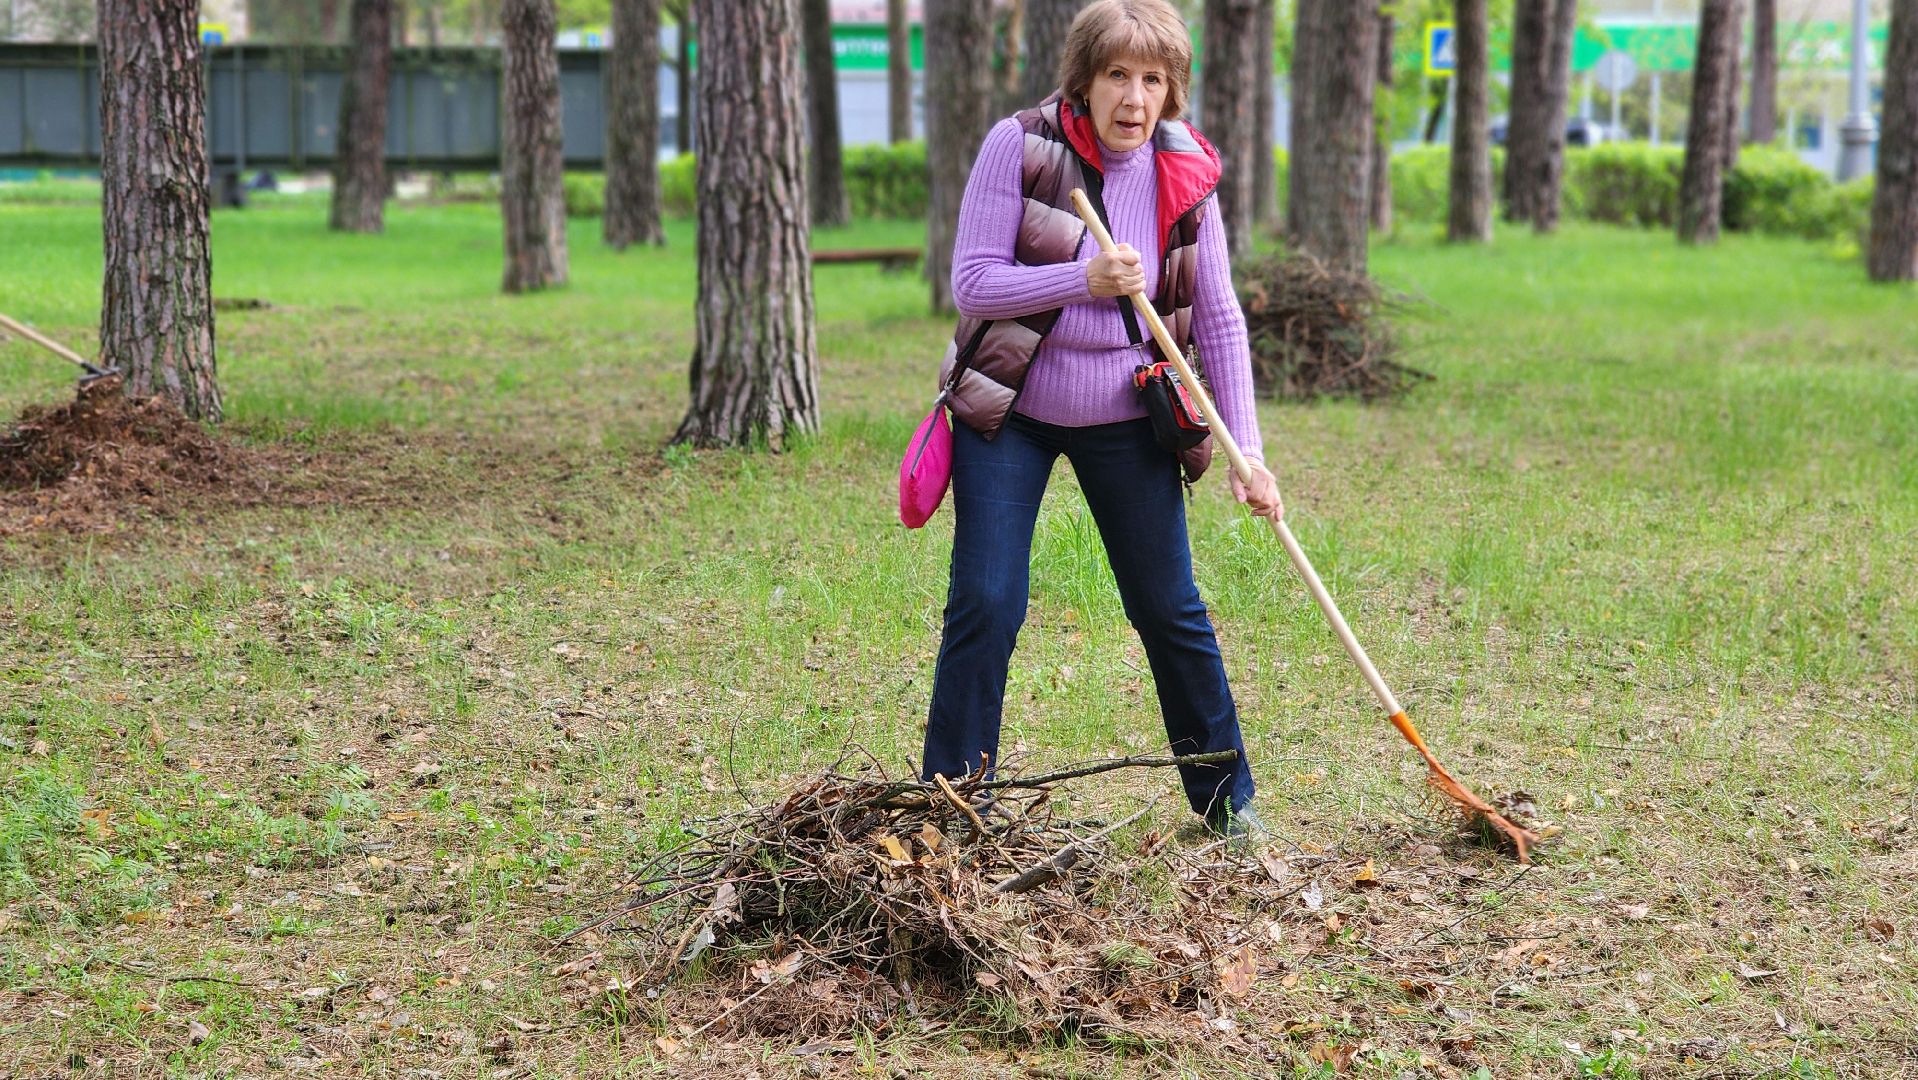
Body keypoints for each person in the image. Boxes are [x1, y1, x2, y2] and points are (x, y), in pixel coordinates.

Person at [919, 0, 1282, 839]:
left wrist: (1247, 453)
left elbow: (1220, 319)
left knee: (1168, 605)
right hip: (1013, 410)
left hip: (1128, 412)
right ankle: (949, 806)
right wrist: (1078, 278)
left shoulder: (1183, 172)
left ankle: (1227, 803)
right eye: (1118, 75)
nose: (1135, 98)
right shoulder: (1022, 146)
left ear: (1172, 91)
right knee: (987, 600)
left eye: (1153, 79)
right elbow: (973, 283)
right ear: (1084, 79)